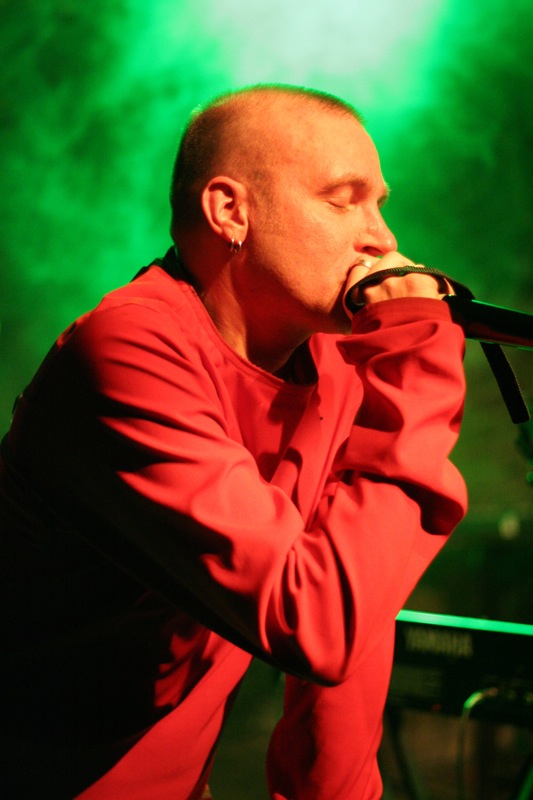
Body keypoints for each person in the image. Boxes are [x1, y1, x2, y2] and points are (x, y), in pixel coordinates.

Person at [0, 84, 467, 799]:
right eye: (343, 200)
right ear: (230, 211)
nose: (381, 239)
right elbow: (313, 620)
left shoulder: (334, 367)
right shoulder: (128, 351)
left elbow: (355, 620)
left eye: (379, 204)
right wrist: (414, 367)